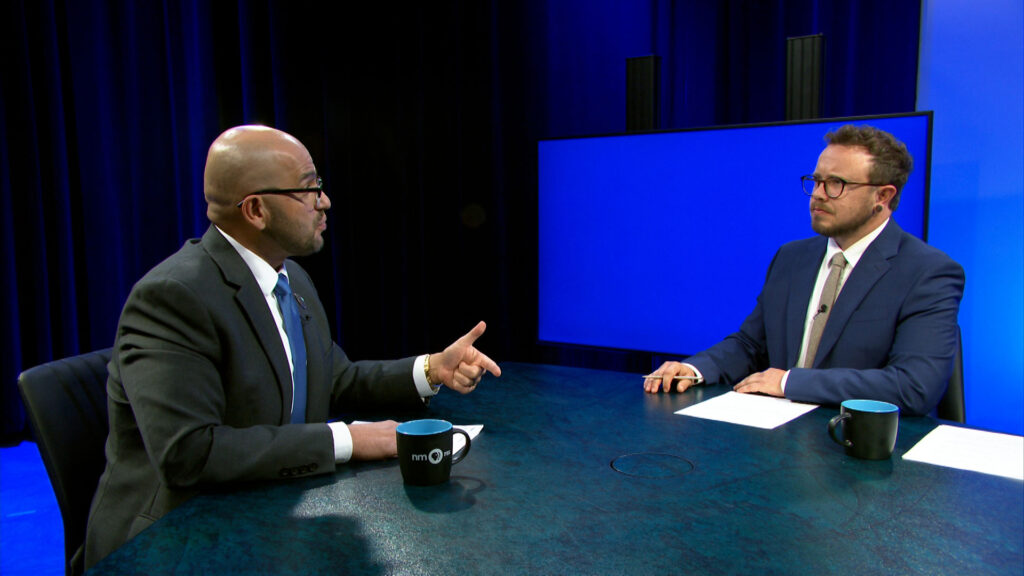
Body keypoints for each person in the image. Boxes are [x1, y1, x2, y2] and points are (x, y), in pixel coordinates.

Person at [84, 125, 501, 568]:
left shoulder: (290, 278)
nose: (325, 201)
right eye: (308, 189)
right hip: (174, 541)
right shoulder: (173, 297)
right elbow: (190, 453)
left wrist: (432, 369)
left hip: (268, 512)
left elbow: (334, 379)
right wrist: (348, 439)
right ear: (256, 210)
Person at [644, 124, 964, 416]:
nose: (818, 194)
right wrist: (695, 369)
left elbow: (913, 386)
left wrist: (789, 383)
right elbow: (751, 345)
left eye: (836, 184)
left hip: (855, 443)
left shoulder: (927, 272)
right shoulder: (792, 257)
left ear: (883, 195)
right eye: (816, 181)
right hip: (773, 437)